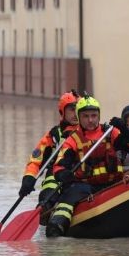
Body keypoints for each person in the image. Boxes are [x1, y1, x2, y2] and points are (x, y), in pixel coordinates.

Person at [45, 95, 129, 237]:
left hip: (112, 183)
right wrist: (63, 174)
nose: (90, 120)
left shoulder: (110, 132)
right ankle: (56, 226)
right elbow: (58, 167)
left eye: (94, 115)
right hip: (84, 186)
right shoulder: (72, 139)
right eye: (85, 116)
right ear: (79, 117)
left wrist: (124, 128)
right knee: (69, 197)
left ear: (99, 115)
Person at [19, 90, 80, 224]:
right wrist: (28, 178)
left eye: (78, 109)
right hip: (57, 175)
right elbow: (36, 160)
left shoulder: (90, 131)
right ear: (62, 112)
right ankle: (45, 208)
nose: (75, 113)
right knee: (51, 182)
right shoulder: (53, 135)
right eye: (71, 109)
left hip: (80, 174)